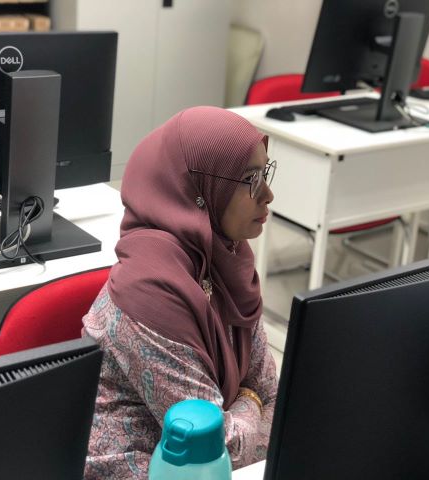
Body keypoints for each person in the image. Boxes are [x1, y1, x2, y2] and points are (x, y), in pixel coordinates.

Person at [82, 106, 278, 479]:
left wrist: (248, 403)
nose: (267, 194)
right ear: (199, 191)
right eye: (249, 179)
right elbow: (219, 449)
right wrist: (250, 400)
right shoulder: (148, 291)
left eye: (264, 174)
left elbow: (271, 392)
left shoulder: (227, 260)